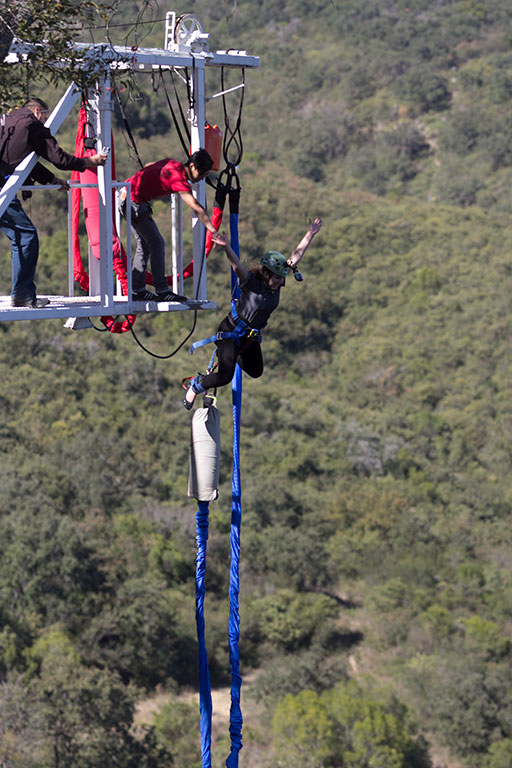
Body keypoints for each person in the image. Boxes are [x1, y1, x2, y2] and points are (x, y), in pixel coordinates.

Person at [184, 216, 323, 409]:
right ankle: (196, 385)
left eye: (282, 278)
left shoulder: (278, 282)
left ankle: (227, 360)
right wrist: (226, 246)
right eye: (276, 278)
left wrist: (311, 233)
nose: (281, 282)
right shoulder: (251, 282)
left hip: (249, 337)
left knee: (256, 371)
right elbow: (237, 265)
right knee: (225, 376)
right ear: (266, 274)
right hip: (230, 332)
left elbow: (296, 256)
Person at [0, 98, 108, 307]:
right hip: (2, 188)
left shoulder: (9, 120)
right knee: (25, 237)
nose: (45, 122)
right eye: (45, 118)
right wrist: (88, 162)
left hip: (4, 183)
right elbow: (60, 159)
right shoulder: (32, 124)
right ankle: (22, 294)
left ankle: (22, 292)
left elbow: (22, 162)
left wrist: (51, 180)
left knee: (21, 235)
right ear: (38, 111)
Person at [121, 149, 220, 302]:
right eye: (202, 174)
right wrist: (213, 231)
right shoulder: (178, 179)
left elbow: (150, 165)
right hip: (133, 203)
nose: (201, 179)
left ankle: (137, 290)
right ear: (192, 166)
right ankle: (161, 290)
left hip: (128, 196)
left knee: (146, 244)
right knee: (156, 243)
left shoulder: (172, 163)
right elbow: (195, 207)